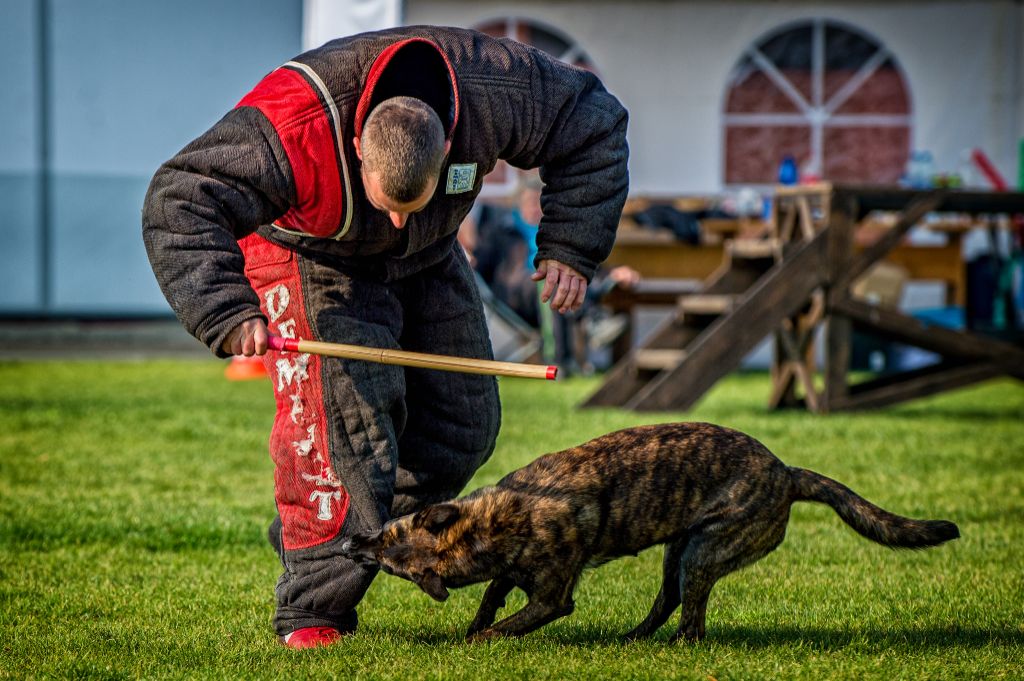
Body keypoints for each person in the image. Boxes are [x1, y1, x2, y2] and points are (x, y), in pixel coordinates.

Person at [142, 25, 629, 648]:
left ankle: (331, 536)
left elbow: (594, 121)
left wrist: (571, 246)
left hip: (428, 257)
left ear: (450, 144)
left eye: (413, 201)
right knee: (349, 437)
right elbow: (179, 197)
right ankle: (313, 611)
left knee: (463, 427)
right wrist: (226, 311)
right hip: (308, 255)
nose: (397, 214)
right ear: (357, 148)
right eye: (388, 202)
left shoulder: (500, 87)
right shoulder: (291, 125)